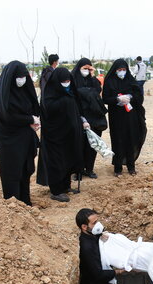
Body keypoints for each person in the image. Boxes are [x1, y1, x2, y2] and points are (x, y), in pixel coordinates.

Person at [36, 67, 88, 202]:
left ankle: (66, 186)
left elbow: (78, 109)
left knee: (69, 160)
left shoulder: (71, 93)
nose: (67, 83)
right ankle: (56, 190)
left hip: (69, 136)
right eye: (63, 81)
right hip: (55, 137)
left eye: (68, 80)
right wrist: (65, 102)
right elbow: (49, 111)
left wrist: (82, 120)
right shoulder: (49, 94)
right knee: (57, 163)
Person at [0, 61, 41, 206]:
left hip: (25, 138)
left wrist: (34, 120)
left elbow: (33, 106)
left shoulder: (24, 90)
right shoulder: (2, 95)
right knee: (12, 173)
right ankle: (14, 204)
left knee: (25, 171)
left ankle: (25, 201)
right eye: (18, 77)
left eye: (24, 76)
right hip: (10, 141)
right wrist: (29, 119)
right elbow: (7, 115)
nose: (22, 79)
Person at [102, 59, 147, 177]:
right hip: (116, 117)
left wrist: (130, 96)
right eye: (119, 70)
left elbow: (139, 95)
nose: (122, 72)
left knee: (130, 138)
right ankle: (118, 168)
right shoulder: (109, 81)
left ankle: (131, 166)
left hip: (130, 116)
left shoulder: (130, 80)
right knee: (118, 140)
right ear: (115, 70)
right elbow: (105, 99)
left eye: (124, 70)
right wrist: (117, 99)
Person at [72, 58, 108, 179]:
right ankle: (78, 170)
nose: (87, 71)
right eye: (84, 68)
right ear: (79, 68)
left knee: (92, 144)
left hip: (93, 116)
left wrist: (92, 76)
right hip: (79, 115)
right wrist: (88, 92)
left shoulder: (93, 80)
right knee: (79, 145)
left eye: (89, 68)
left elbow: (98, 90)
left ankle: (89, 169)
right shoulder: (73, 79)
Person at [76, 208, 125, 284]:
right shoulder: (87, 247)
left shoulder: (93, 234)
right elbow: (98, 274)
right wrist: (119, 271)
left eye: (97, 221)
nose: (98, 225)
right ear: (84, 227)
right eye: (94, 223)